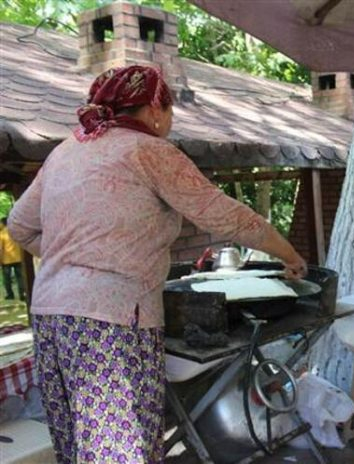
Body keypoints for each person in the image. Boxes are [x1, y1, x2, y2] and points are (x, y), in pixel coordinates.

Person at [7, 66, 307, 463]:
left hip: (51, 316)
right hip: (110, 321)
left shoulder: (67, 150)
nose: (169, 121)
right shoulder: (149, 151)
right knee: (120, 448)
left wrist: (73, 257)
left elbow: (19, 227)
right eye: (169, 112)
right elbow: (227, 217)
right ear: (153, 109)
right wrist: (290, 255)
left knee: (78, 444)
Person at [0, 217, 25, 300]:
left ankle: (10, 295)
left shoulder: (1, 234)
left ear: (3, 223)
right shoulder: (15, 232)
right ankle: (22, 294)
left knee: (7, 279)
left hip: (6, 260)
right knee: (20, 277)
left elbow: (0, 249)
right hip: (18, 258)